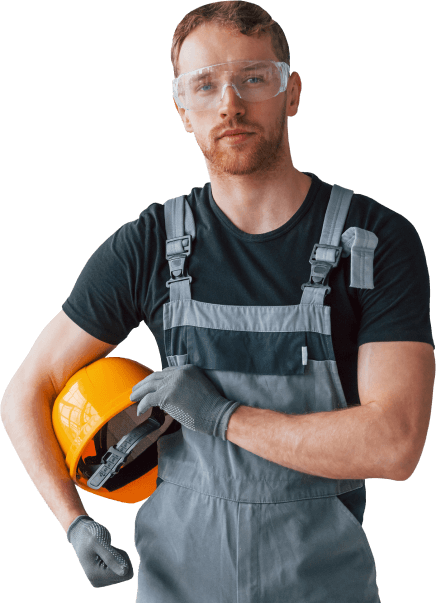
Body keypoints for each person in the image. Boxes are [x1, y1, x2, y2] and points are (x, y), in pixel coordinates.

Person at [2, 2, 434, 601]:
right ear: (183, 110)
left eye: (253, 78)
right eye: (205, 85)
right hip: (178, 583)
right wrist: (73, 522)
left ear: (292, 93)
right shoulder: (150, 245)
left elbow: (395, 445)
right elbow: (27, 389)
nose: (230, 104)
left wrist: (223, 417)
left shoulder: (375, 241)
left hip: (320, 585)